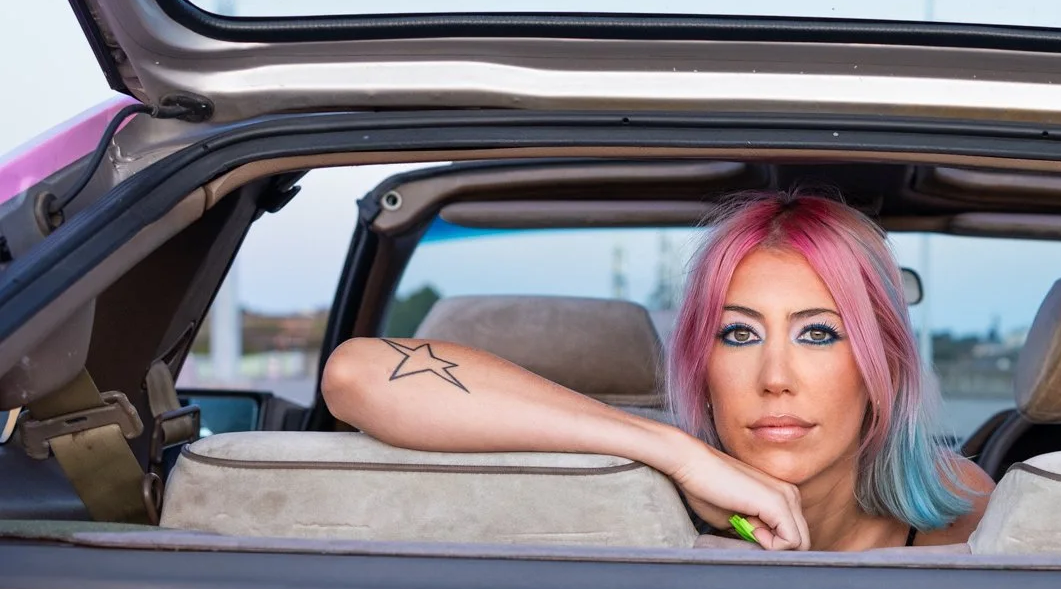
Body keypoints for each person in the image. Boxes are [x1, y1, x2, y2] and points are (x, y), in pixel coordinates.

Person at [321, 192, 991, 551]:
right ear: (701, 365)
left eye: (818, 333)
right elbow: (355, 372)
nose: (774, 376)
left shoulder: (960, 508)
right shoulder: (630, 497)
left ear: (881, 365)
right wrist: (676, 452)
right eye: (738, 333)